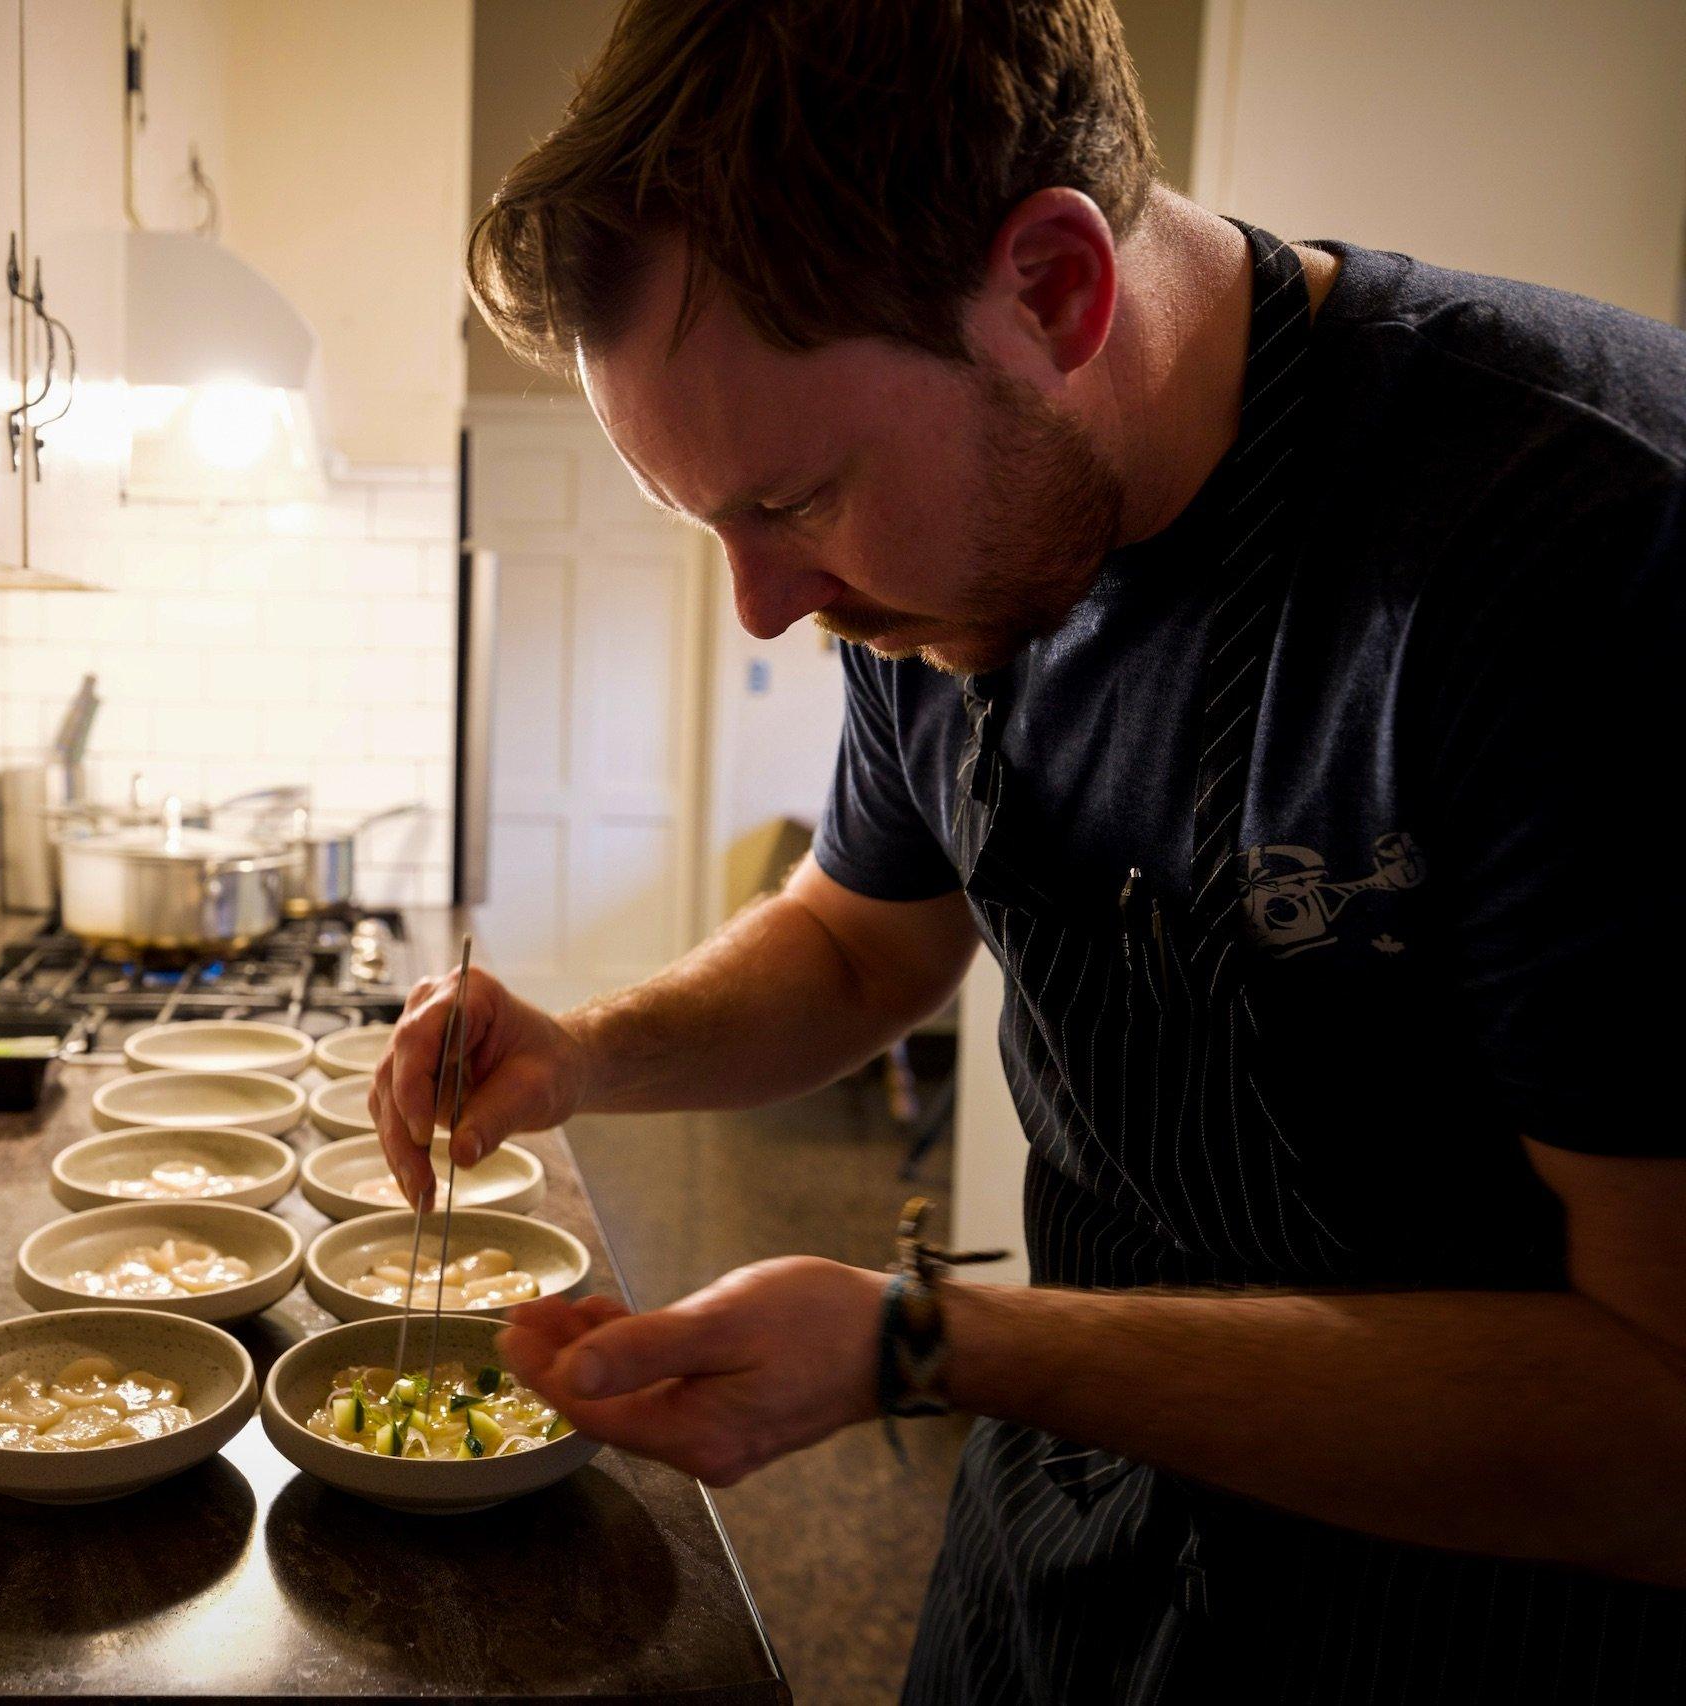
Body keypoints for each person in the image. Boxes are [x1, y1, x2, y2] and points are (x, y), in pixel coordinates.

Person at [371, 1, 1686, 1699]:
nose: (769, 606)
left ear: (1056, 288)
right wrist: (585, 1051)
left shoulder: (1587, 541)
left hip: (1470, 1613)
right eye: (708, 522)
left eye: (792, 500)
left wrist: (930, 1340)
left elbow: (1662, 1416)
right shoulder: (931, 581)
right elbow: (864, 942)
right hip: (1058, 1566)